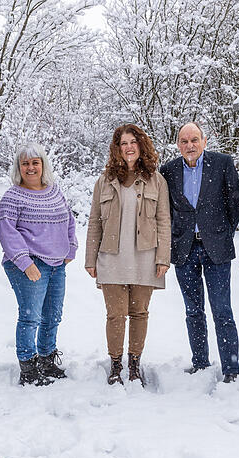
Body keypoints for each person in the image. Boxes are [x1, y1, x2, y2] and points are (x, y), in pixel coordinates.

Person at [85, 124, 171, 386]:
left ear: (141, 145)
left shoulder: (156, 180)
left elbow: (164, 219)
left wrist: (163, 257)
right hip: (111, 257)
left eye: (133, 142)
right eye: (123, 143)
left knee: (139, 313)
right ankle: (115, 364)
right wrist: (90, 258)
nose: (129, 147)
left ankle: (134, 364)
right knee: (115, 314)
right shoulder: (105, 180)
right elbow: (95, 222)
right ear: (117, 148)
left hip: (145, 256)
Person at [160, 122, 239, 383]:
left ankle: (231, 368)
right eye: (184, 141)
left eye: (194, 140)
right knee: (193, 311)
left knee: (222, 310)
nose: (189, 145)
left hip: (216, 248)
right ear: (178, 145)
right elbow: (166, 211)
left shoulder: (222, 163)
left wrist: (220, 232)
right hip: (184, 249)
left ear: (204, 141)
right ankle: (200, 363)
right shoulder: (169, 171)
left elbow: (234, 201)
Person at [0, 143, 77, 386]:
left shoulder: (54, 192)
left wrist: (70, 248)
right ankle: (28, 367)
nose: (30, 168)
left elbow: (69, 219)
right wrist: (24, 262)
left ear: (43, 165)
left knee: (52, 315)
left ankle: (46, 358)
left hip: (57, 264)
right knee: (31, 317)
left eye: (35, 162)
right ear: (18, 168)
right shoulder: (12, 196)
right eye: (25, 163)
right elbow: (6, 231)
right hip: (28, 264)